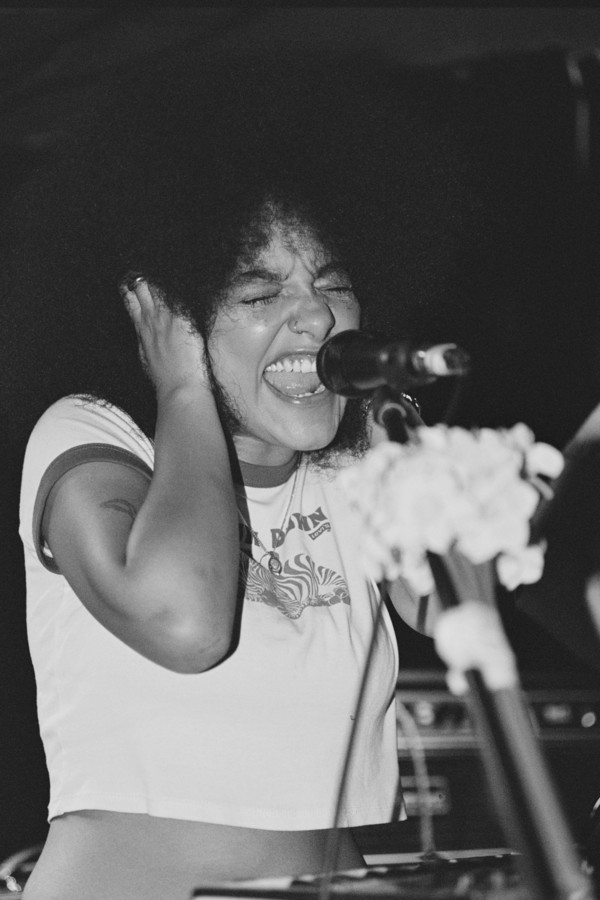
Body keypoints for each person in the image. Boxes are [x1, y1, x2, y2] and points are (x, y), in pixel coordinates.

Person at [5, 56, 478, 900]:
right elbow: (183, 623)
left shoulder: (364, 460)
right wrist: (183, 385)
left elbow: (463, 606)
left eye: (334, 285)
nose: (316, 317)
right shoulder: (93, 438)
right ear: (171, 311)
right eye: (259, 295)